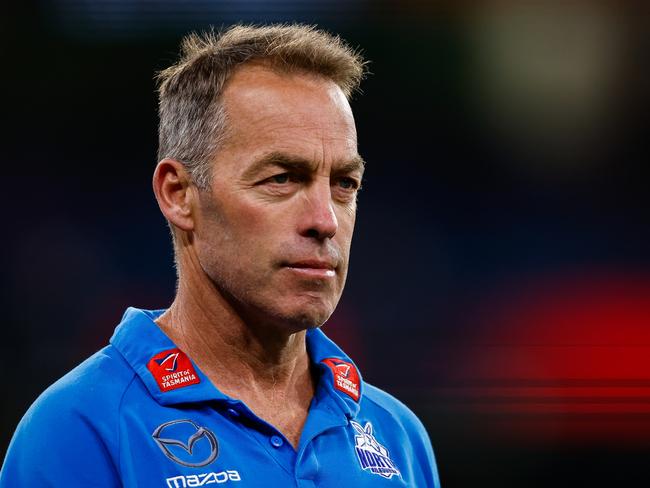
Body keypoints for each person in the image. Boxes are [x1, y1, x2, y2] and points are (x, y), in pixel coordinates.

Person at [1, 24, 441, 487]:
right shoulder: (82, 429)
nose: (325, 220)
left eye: (344, 184)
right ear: (179, 195)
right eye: (282, 178)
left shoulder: (397, 436)